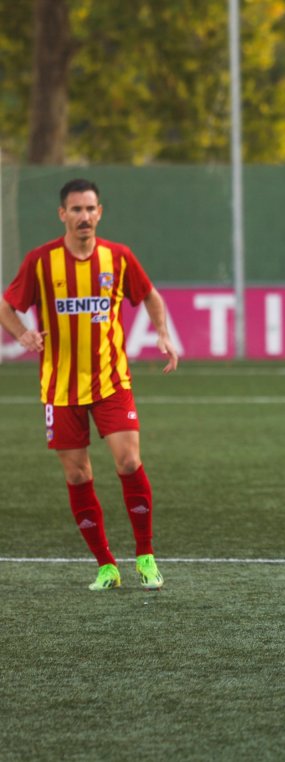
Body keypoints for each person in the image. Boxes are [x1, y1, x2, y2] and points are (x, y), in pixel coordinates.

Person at [0, 178, 178, 591]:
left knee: (129, 462)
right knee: (78, 475)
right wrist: (22, 334)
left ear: (100, 212)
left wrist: (163, 333)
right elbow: (7, 306)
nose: (84, 216)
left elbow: (150, 295)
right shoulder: (41, 261)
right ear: (62, 214)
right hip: (59, 387)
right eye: (76, 209)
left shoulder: (118, 258)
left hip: (111, 381)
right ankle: (106, 566)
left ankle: (146, 556)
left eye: (90, 209)